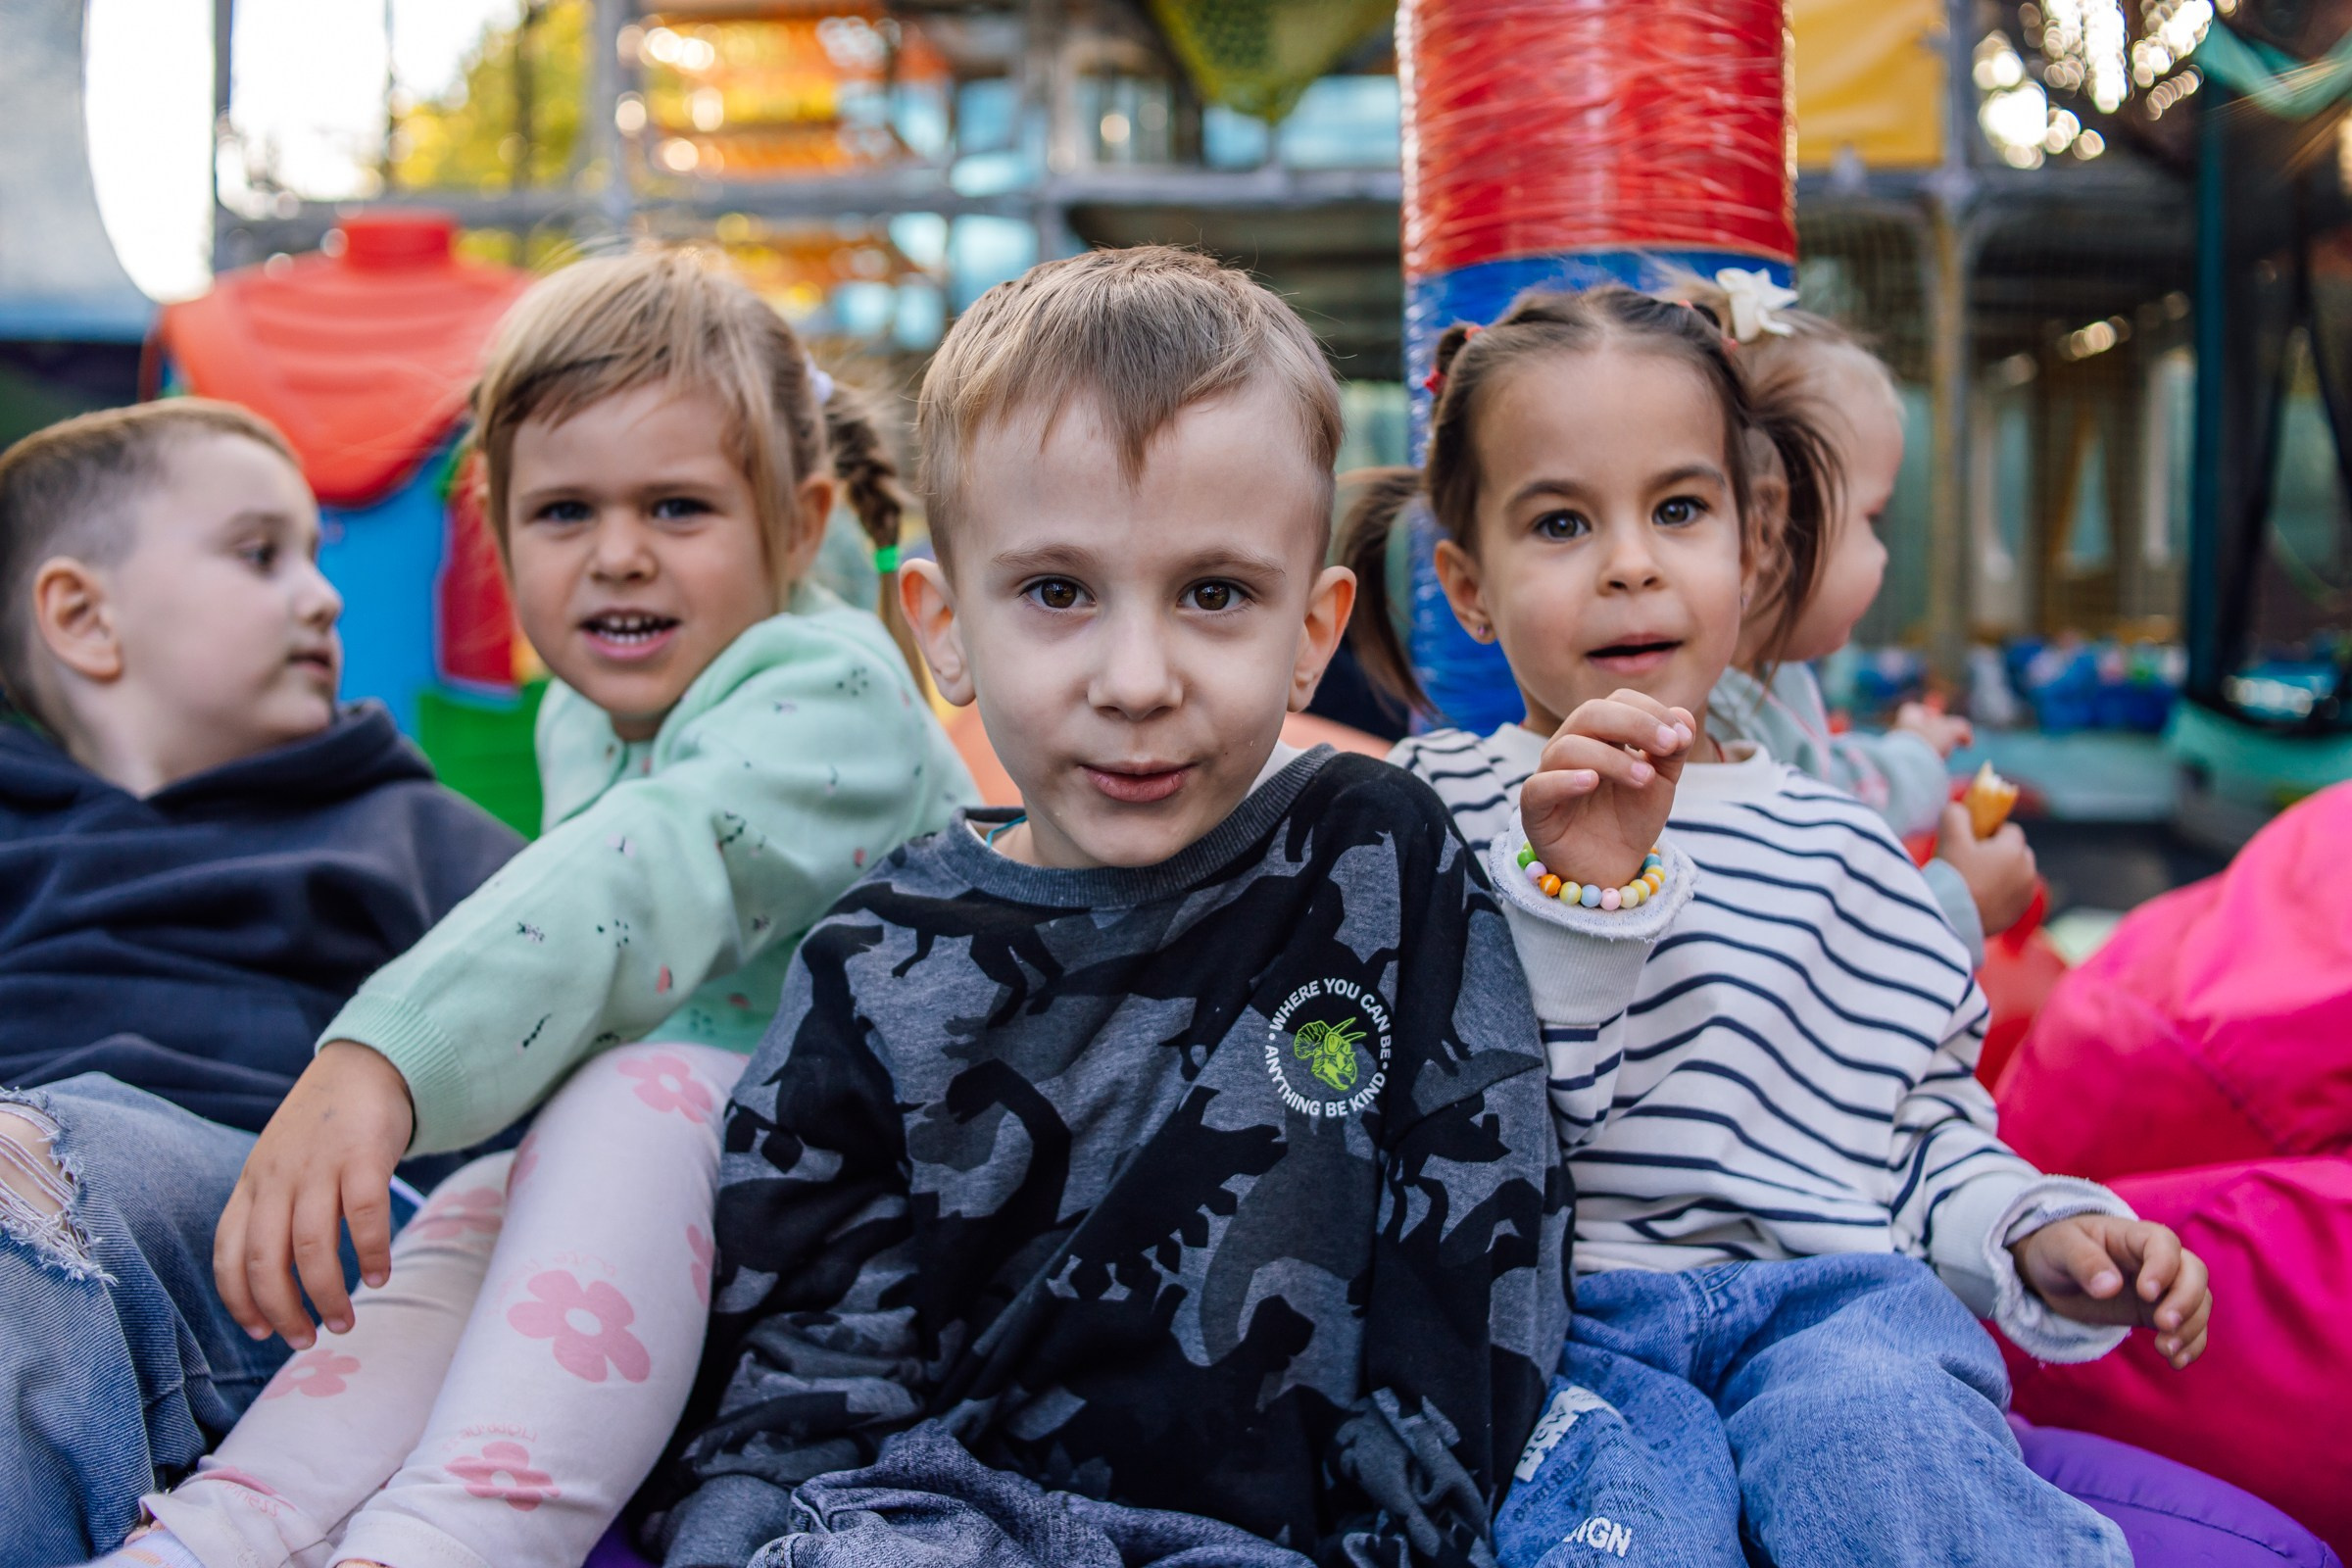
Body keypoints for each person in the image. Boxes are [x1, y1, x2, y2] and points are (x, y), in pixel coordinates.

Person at [649, 246, 1569, 1568]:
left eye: (1213, 595)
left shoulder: (1373, 862)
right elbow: (803, 1366)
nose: (1137, 679)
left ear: (1310, 631)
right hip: (947, 1518)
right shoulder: (874, 961)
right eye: (1058, 593)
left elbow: (1483, 1245)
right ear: (943, 627)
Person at [108, 250, 975, 1568]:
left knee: (633, 1094)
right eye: (563, 513)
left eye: (678, 509)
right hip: (708, 1193)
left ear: (797, 530)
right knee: (466, 1212)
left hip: (894, 1214)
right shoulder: (584, 715)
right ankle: (234, 1526)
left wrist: (388, 1050)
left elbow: (650, 871)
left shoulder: (829, 694)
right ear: (498, 536)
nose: (618, 557)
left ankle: (463, 1533)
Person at [1341, 285, 2212, 1568]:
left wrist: (2033, 1230)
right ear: (1469, 587)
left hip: (1831, 1303)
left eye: (1677, 510)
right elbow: (1453, 1128)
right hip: (1552, 1327)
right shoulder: (1433, 815)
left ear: (1751, 546)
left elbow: (1916, 1131)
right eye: (1562, 521)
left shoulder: (1841, 848)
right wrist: (1581, 894)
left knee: (1878, 1449)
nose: (1630, 560)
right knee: (1608, 1530)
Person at [0, 400, 522, 1565]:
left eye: (316, 556)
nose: (324, 595)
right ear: (85, 617)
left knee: (28, 1185)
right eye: (259, 554)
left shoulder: (413, 834)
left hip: (299, 1241)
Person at [1682, 281, 2034, 961]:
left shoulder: (1761, 677)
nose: (1883, 552)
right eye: (1872, 519)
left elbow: (1827, 775)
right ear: (1769, 529)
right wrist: (1958, 901)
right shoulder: (1706, 730)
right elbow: (1808, 947)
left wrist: (1911, 755)